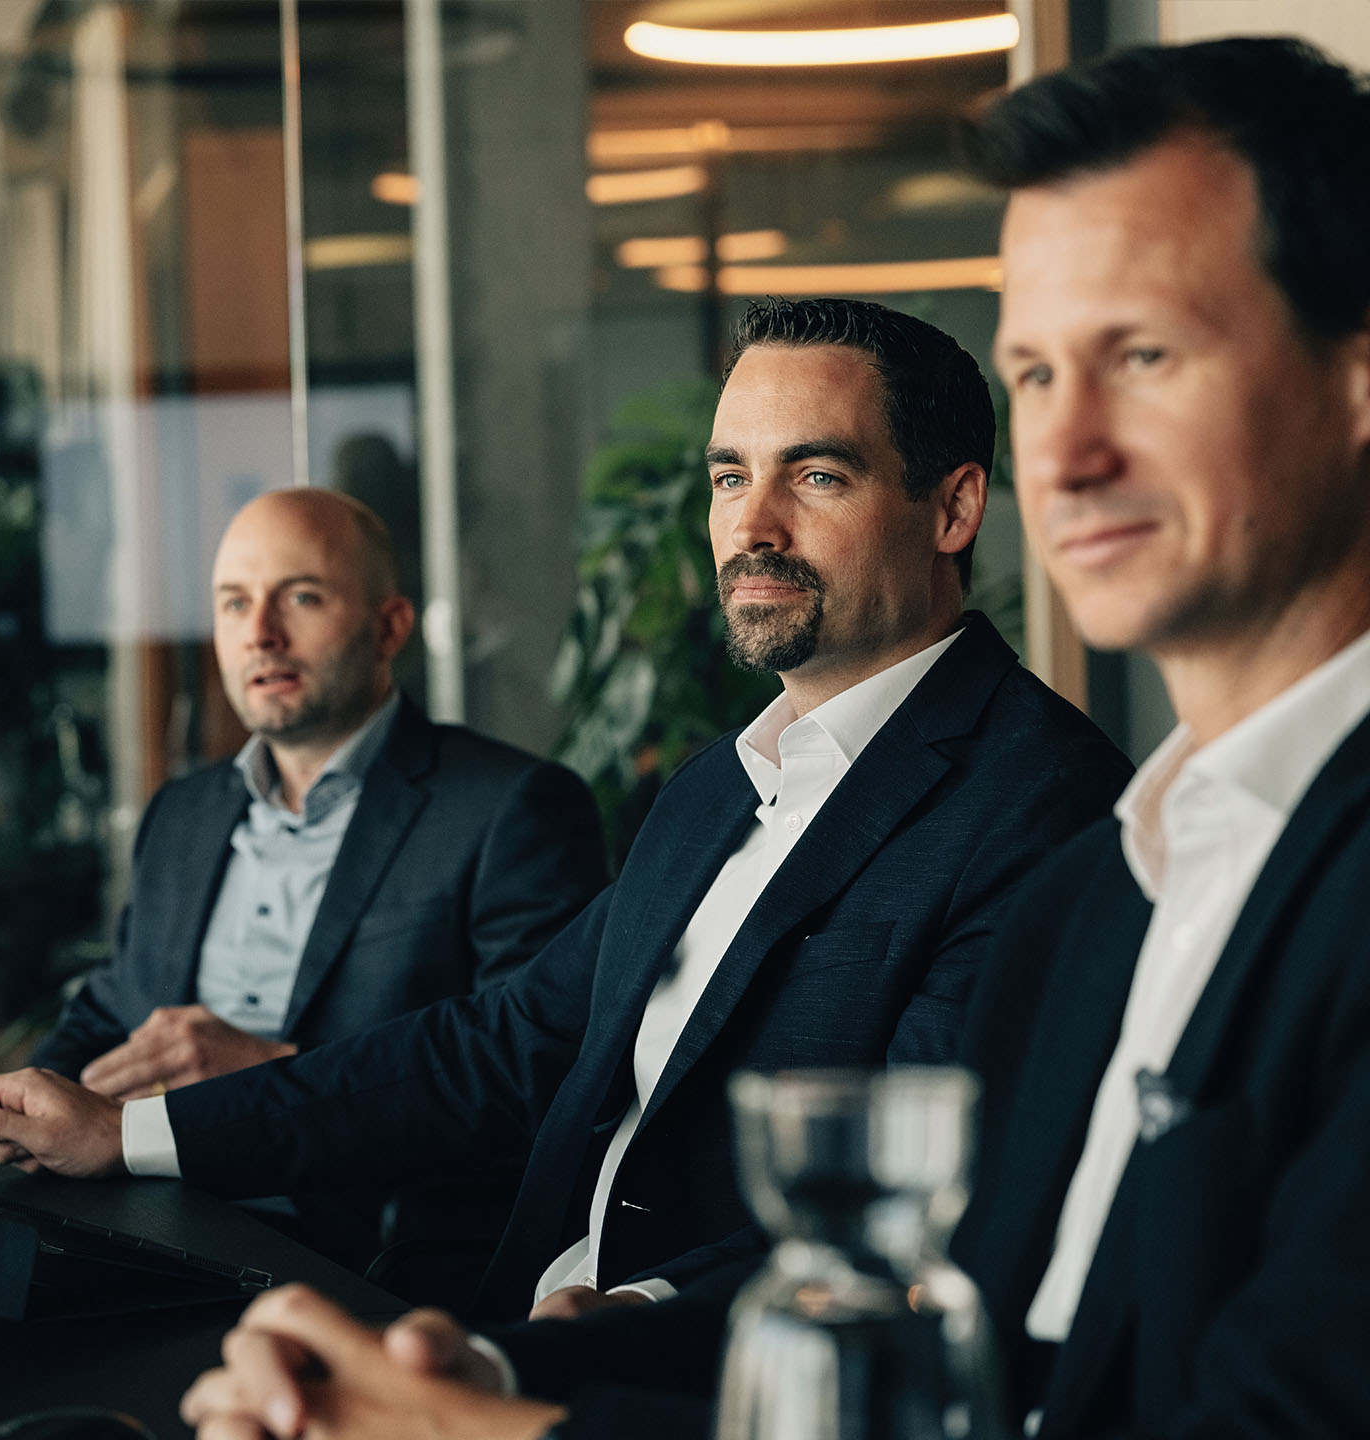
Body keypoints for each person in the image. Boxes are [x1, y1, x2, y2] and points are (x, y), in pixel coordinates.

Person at [180, 36, 1370, 1440]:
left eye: (1146, 354)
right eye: (1041, 375)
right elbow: (965, 1350)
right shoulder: (1114, 892)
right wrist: (480, 1377)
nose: (1072, 449)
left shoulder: (1069, 827)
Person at [0, 297, 1132, 1329]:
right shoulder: (722, 781)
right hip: (509, 1318)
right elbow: (501, 1042)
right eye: (730, 475)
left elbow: (925, 1194)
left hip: (698, 1372)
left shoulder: (1043, 801)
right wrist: (131, 1135)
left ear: (954, 507)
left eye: (814, 474)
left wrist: (627, 1316)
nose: (751, 523)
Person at [33, 487, 606, 1099]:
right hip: (148, 1189)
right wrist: (22, 1101)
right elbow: (114, 1006)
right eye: (234, 604)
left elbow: (528, 1072)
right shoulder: (179, 814)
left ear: (389, 628)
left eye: (301, 597)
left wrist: (277, 1074)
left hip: (366, 1192)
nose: (260, 634)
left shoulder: (513, 810)